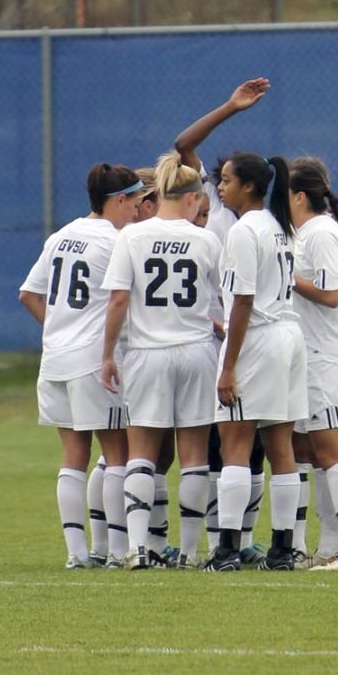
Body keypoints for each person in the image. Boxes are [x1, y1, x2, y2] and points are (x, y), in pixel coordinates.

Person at [19, 163, 143, 569]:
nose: (139, 210)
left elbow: (29, 294)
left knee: (74, 453)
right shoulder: (113, 242)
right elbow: (120, 301)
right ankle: (118, 552)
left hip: (55, 358)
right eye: (137, 201)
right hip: (93, 361)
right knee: (117, 452)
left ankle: (77, 554)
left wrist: (59, 330)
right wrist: (105, 350)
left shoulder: (62, 235)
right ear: (119, 199)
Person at [101, 151, 222, 570]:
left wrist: (107, 354)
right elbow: (222, 302)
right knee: (194, 457)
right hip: (196, 352)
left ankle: (138, 548)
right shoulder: (206, 239)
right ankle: (189, 553)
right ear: (192, 198)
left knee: (141, 454)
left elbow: (118, 299)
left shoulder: (132, 237)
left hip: (147, 353)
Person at [174, 79, 271, 565]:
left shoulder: (247, 221)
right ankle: (217, 544)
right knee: (216, 445)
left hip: (242, 338)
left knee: (247, 447)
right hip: (206, 340)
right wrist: (231, 106)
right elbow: (185, 144)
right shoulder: (210, 205)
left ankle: (239, 540)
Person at [203, 152, 307, 572]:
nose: (221, 187)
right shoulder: (281, 227)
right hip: (288, 336)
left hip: (260, 340)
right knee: (281, 448)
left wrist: (227, 367)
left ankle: (226, 550)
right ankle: (283, 549)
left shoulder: (246, 231)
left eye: (226, 180)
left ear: (249, 186)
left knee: (235, 445)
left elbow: (242, 301)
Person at [288, 157, 338, 570]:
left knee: (334, 453)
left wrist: (285, 276)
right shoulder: (309, 233)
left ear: (299, 196)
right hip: (312, 358)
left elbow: (332, 293)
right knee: (319, 454)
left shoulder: (320, 233)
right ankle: (330, 544)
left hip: (327, 359)